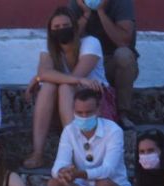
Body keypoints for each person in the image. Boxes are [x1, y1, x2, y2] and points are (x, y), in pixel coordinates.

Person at [44, 87, 128, 186]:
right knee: (54, 184)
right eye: (79, 112)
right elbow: (59, 163)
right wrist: (63, 173)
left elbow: (108, 170)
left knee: (103, 184)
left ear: (99, 109)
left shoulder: (114, 131)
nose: (83, 117)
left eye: (88, 112)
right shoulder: (69, 130)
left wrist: (80, 174)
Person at [24, 6, 104, 171]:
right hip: (65, 105)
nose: (61, 30)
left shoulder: (90, 43)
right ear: (50, 31)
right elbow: (45, 72)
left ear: (74, 26)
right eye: (56, 27)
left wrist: (41, 76)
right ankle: (38, 153)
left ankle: (76, 152)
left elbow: (76, 76)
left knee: (64, 86)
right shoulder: (49, 48)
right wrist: (41, 77)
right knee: (49, 87)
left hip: (94, 101)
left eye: (65, 25)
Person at [65, 0, 136, 117]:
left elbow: (123, 41)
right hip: (87, 63)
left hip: (112, 62)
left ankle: (123, 113)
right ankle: (73, 114)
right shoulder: (77, 4)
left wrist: (101, 12)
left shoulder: (122, 3)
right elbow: (67, 40)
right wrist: (86, 14)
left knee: (124, 55)